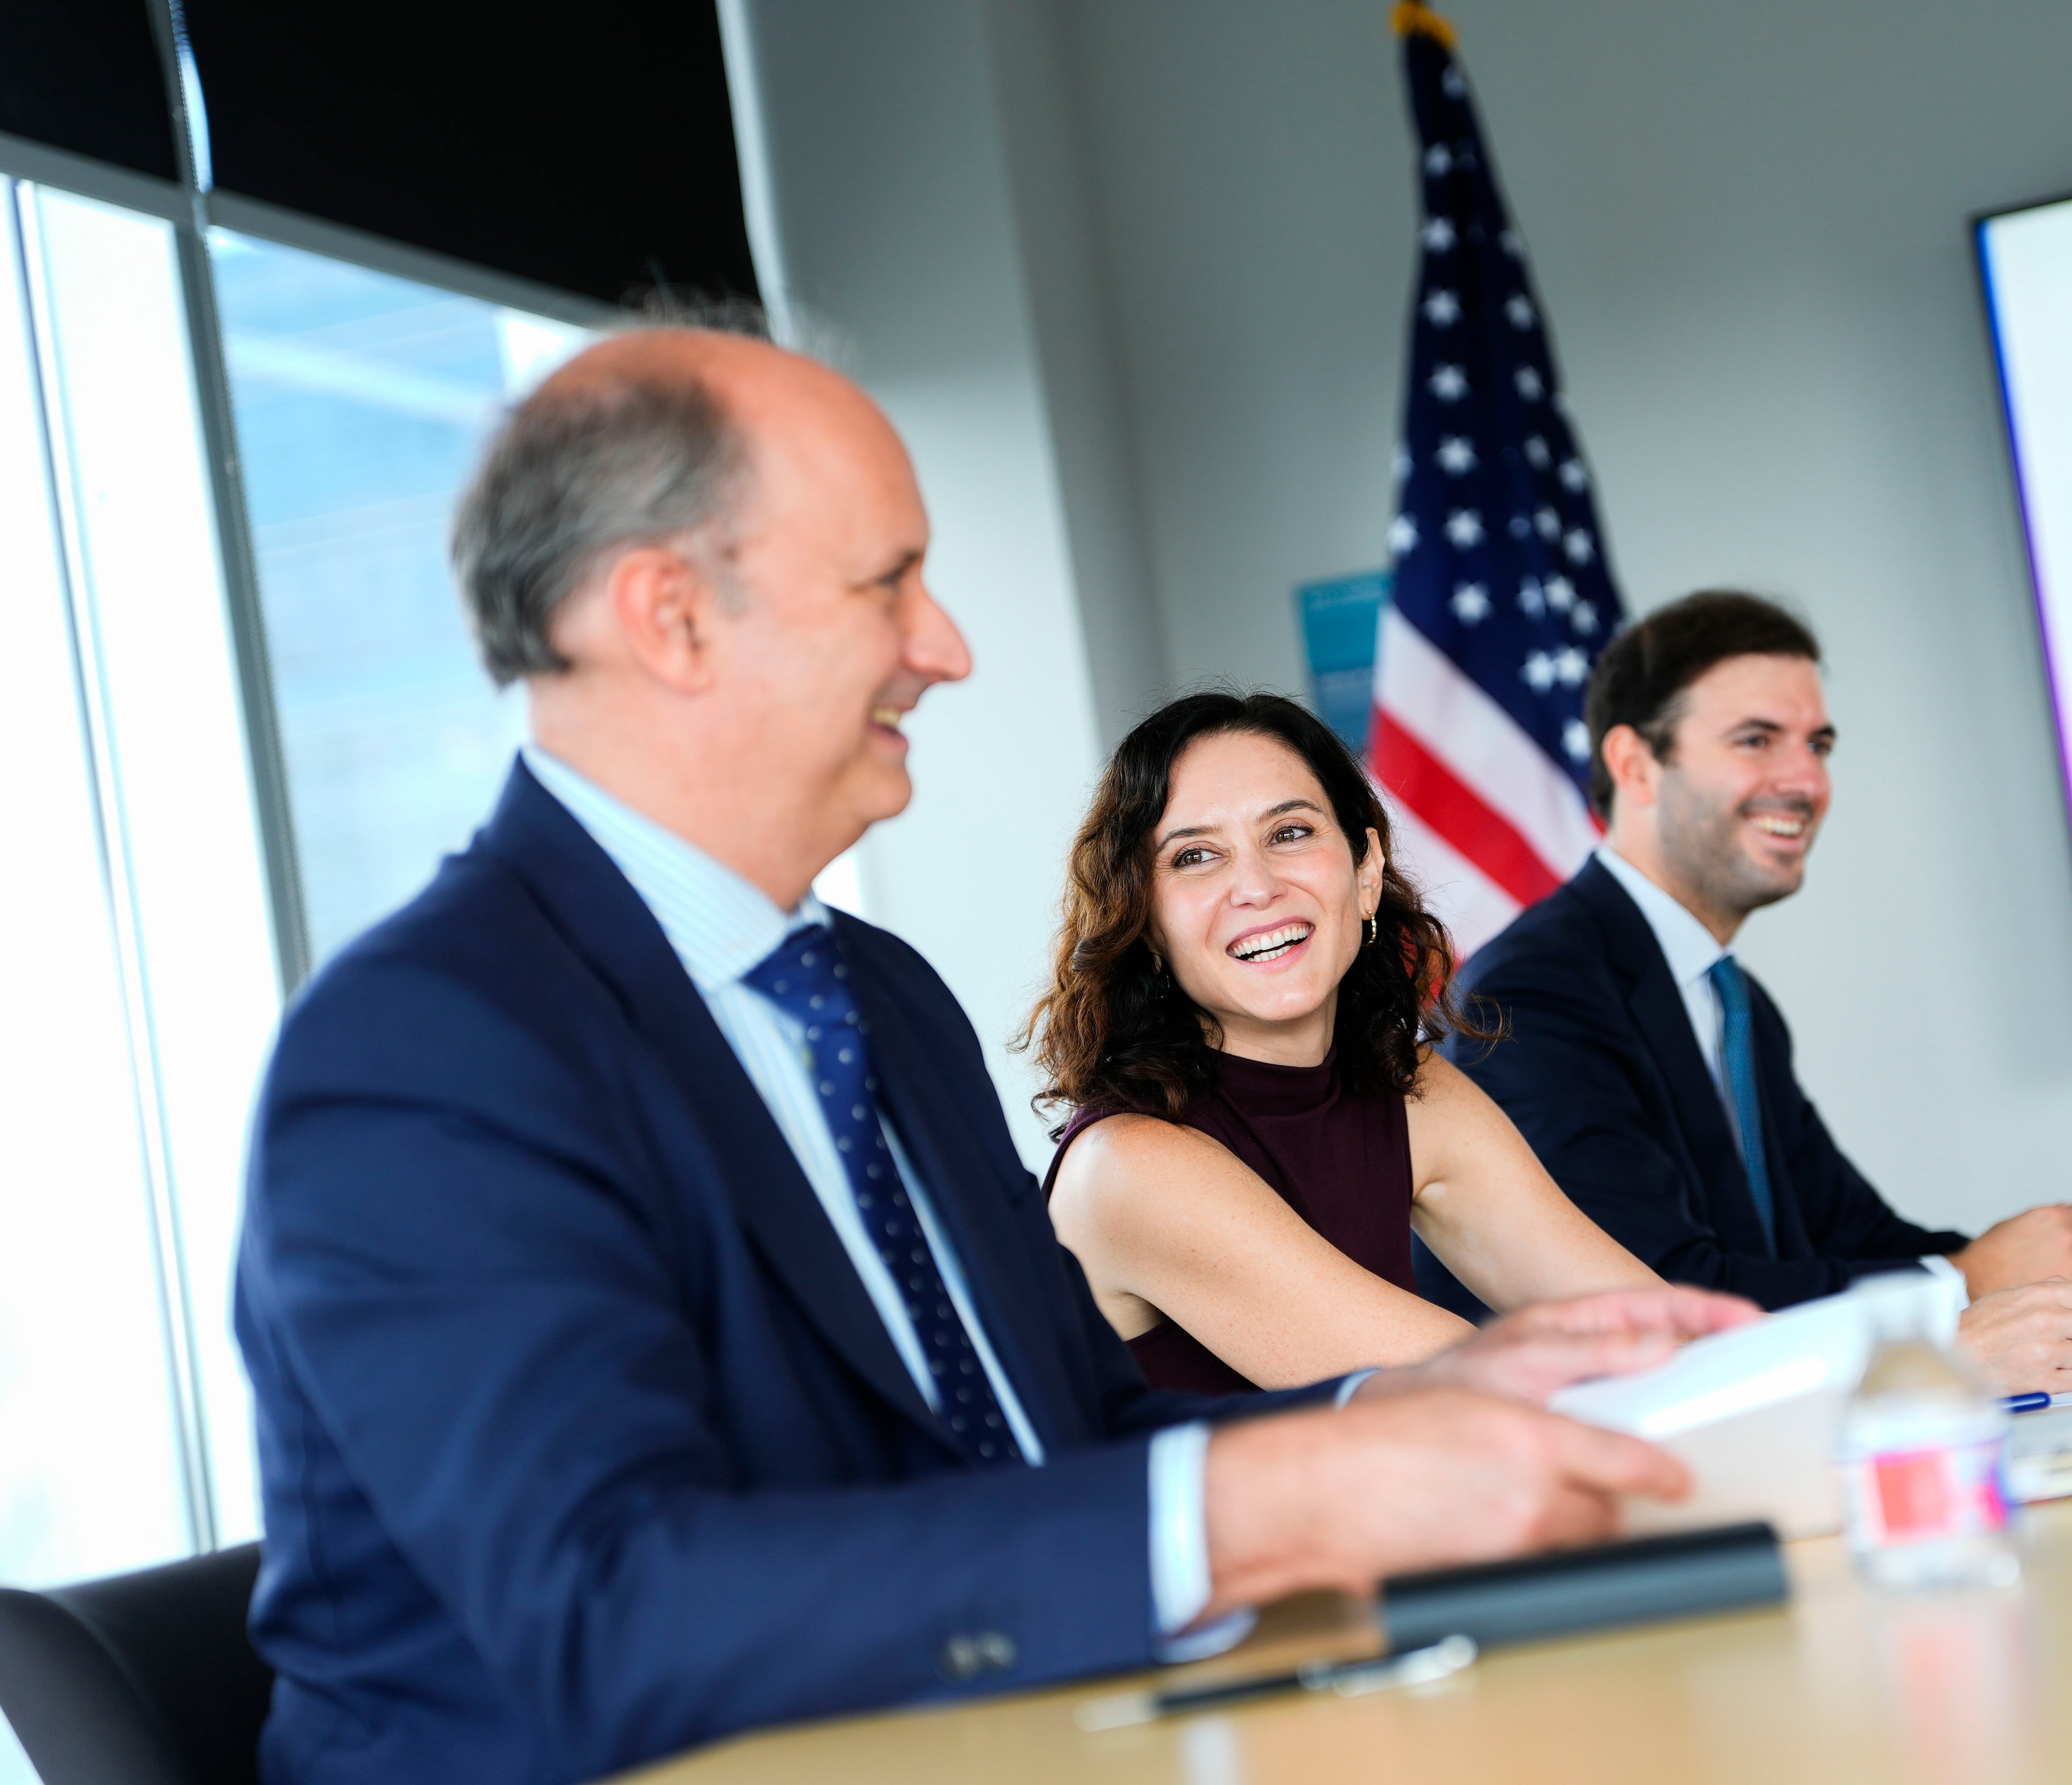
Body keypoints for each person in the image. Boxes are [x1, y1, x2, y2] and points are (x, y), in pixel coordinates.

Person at [232, 321, 1756, 1785]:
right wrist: (1259, 1506)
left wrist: (1402, 1407)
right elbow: (612, 1607)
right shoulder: (426, 1046)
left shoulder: (874, 995)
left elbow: (1070, 1428)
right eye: (889, 582)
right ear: (671, 618)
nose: (945, 648)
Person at [1424, 590, 2072, 1394]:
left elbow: (1845, 1236)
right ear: (1635, 765)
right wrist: (1963, 1279)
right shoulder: (1533, 995)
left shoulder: (1734, 1000)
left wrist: (2032, 1271)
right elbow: (1661, 1296)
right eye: (1757, 740)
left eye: (1819, 745)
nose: (1807, 780)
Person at [1029, 692, 1662, 1394]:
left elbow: (1653, 1331)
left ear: (1365, 873)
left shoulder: (1411, 1092)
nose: (1257, 886)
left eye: (1290, 833)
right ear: (1146, 920)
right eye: (1197, 855)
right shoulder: (1127, 1166)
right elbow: (1476, 1395)